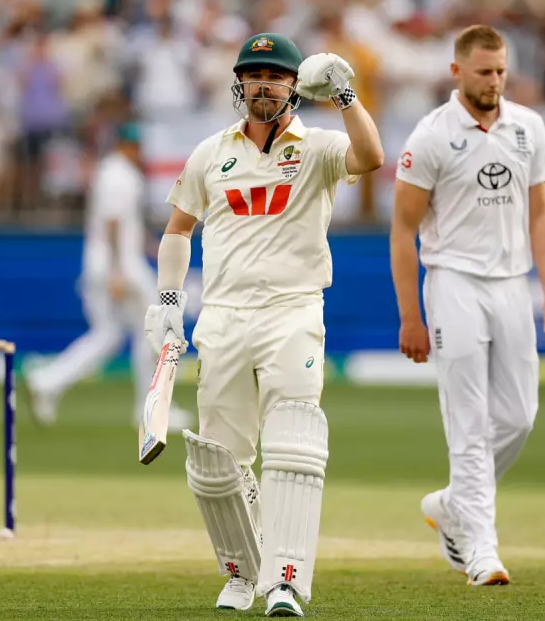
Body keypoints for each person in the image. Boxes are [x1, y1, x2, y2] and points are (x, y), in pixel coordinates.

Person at [144, 32, 383, 617]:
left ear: (294, 87)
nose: (264, 86)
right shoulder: (210, 153)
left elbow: (371, 157)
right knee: (219, 464)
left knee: (293, 445)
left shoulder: (320, 146)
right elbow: (178, 230)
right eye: (254, 76)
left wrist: (346, 95)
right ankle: (241, 572)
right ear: (239, 84)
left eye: (276, 76)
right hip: (224, 317)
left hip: (293, 311)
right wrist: (169, 303)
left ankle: (286, 581)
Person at [390, 25, 545, 586]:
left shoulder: (528, 127)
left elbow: (540, 214)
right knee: (468, 421)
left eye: (501, 71)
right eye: (484, 72)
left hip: (512, 285)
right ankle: (481, 552)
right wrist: (411, 317)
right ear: (457, 72)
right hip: (453, 282)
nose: (494, 81)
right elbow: (402, 230)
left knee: (518, 417)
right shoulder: (431, 136)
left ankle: (451, 505)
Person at [24, 123, 193, 431]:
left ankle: (47, 381)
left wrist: (151, 247)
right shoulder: (120, 175)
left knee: (109, 335)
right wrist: (117, 270)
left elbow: (123, 225)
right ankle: (150, 409)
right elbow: (113, 223)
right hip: (120, 267)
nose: (139, 153)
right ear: (127, 147)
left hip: (107, 264)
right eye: (136, 147)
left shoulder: (111, 172)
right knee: (156, 328)